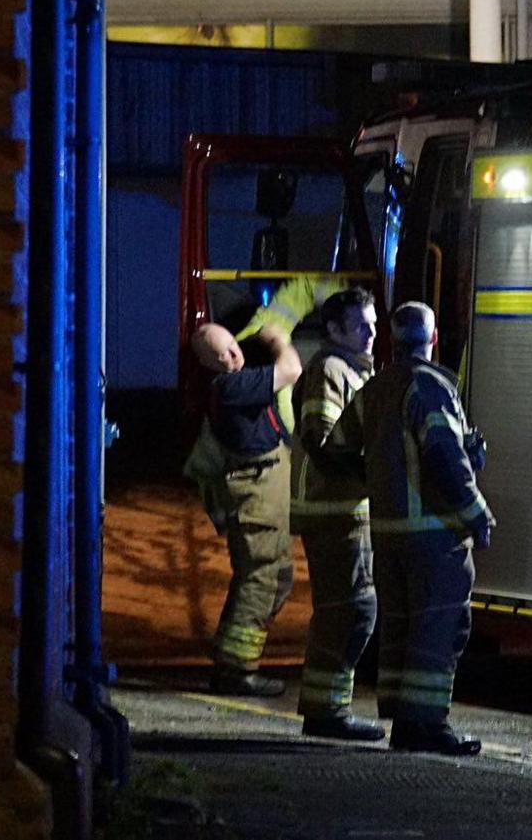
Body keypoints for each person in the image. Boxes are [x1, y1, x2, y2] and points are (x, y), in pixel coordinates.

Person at [362, 302, 494, 756]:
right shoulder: (431, 385)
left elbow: (339, 450)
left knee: (401, 626)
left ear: (392, 342)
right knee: (438, 627)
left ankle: (404, 722)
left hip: (388, 531)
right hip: (433, 531)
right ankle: (428, 724)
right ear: (433, 339)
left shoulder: (376, 387)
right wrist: (476, 511)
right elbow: (442, 454)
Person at [290, 288, 386, 740]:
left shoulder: (351, 371)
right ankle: (327, 713)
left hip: (346, 509)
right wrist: (375, 476)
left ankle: (329, 709)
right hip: (335, 511)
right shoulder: (330, 370)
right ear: (333, 330)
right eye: (360, 325)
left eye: (373, 323)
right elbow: (320, 437)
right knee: (350, 609)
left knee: (350, 608)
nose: (371, 333)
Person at [190, 321, 301, 696]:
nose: (231, 356)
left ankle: (230, 655)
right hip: (257, 490)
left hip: (264, 486)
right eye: (220, 353)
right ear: (207, 362)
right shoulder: (231, 387)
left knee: (277, 577)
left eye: (233, 347)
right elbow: (291, 370)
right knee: (261, 578)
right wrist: (276, 339)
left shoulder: (233, 385)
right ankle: (237, 670)